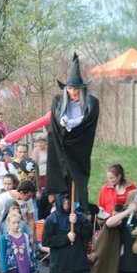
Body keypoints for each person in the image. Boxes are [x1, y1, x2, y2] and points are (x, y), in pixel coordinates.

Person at [46, 53, 98, 211]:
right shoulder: (58, 101)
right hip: (61, 146)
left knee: (78, 181)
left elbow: (88, 123)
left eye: (76, 89)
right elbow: (55, 122)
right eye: (70, 88)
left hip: (79, 147)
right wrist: (63, 122)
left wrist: (73, 123)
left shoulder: (91, 103)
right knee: (61, 178)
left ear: (82, 88)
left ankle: (80, 210)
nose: (73, 92)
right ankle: (61, 208)